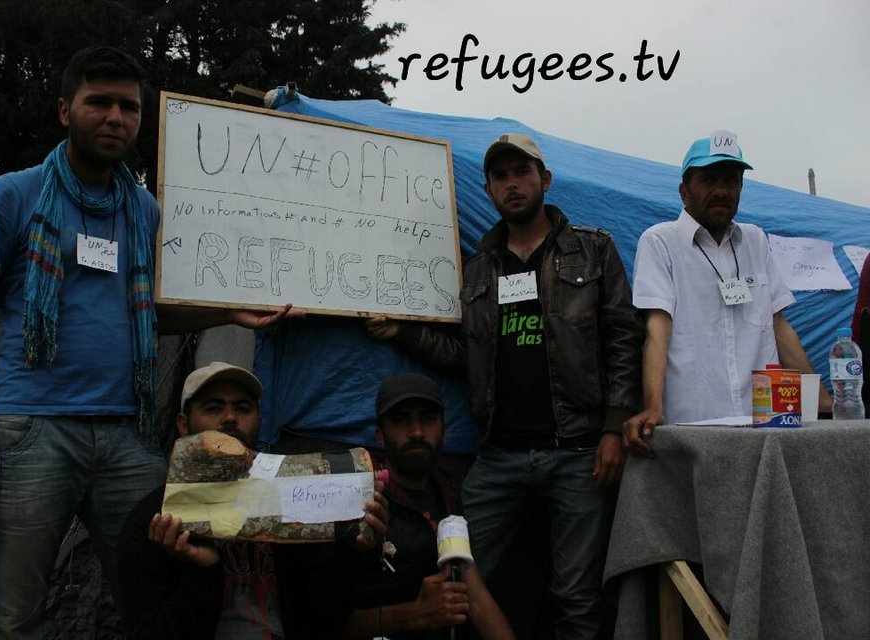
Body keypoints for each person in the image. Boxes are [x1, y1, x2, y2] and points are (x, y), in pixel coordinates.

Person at [0, 45, 298, 637]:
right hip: (32, 431)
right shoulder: (13, 196)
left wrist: (228, 309)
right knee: (9, 617)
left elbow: (147, 314)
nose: (115, 118)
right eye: (97, 102)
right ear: (64, 111)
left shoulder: (144, 211)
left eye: (128, 107)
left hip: (129, 437)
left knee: (147, 602)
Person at [367, 133, 642, 639]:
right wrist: (402, 332)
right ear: (490, 189)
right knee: (455, 572)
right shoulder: (477, 268)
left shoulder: (594, 249)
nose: (513, 184)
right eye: (501, 177)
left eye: (523, 172)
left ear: (545, 180)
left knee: (577, 598)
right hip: (498, 456)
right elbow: (465, 357)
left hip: (577, 451)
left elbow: (624, 339)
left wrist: (613, 428)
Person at [116, 362, 389, 639]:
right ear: (183, 425)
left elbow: (323, 617)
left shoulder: (296, 504)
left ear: (260, 420)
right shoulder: (156, 519)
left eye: (243, 408)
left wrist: (355, 552)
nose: (230, 417)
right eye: (213, 408)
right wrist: (201, 570)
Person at [623, 132, 830, 455]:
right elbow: (657, 328)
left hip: (766, 423)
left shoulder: (755, 240)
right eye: (708, 180)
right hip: (694, 427)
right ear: (684, 191)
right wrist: (652, 405)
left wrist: (825, 402)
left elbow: (778, 326)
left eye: (731, 181)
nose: (721, 191)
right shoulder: (661, 242)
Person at [340, 373, 514, 640]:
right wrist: (414, 613)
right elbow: (329, 624)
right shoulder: (361, 498)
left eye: (427, 419)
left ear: (445, 432)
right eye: (401, 420)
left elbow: (475, 594)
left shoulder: (447, 492)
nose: (417, 432)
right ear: (380, 436)